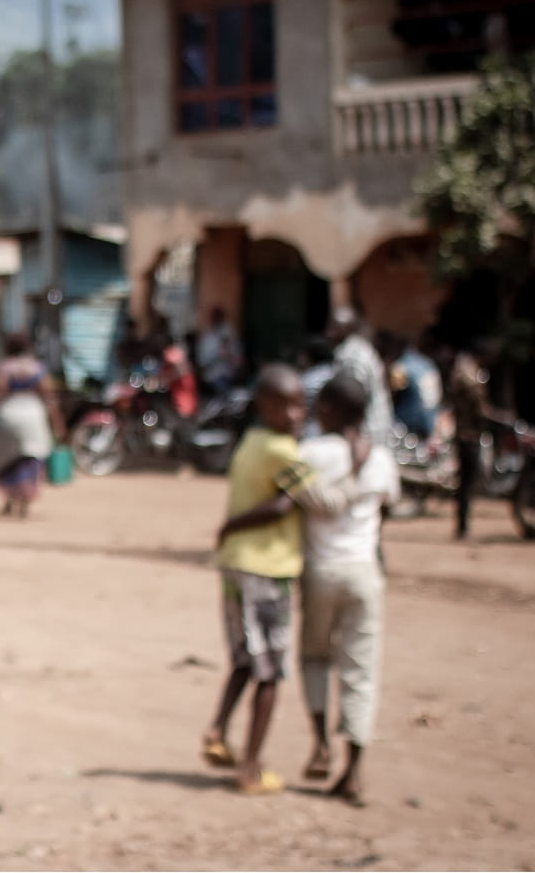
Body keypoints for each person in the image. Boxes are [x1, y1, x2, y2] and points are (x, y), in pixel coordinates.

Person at [204, 365, 356, 795]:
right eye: (286, 405)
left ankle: (218, 731)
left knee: (245, 659)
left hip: (237, 563)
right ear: (264, 406)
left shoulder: (252, 441)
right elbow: (310, 504)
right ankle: (250, 768)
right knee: (269, 671)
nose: (295, 414)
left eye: (300, 405)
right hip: (266, 567)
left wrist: (229, 528)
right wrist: (357, 473)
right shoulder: (284, 452)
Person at [293, 374, 396, 807]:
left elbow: (295, 501)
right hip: (364, 572)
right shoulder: (381, 458)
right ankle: (353, 770)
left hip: (320, 570)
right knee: (361, 670)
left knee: (315, 657)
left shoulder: (309, 453)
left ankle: (320, 743)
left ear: (329, 409)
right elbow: (385, 509)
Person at [0, 332, 61, 519]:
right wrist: (58, 423)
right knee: (30, 458)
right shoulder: (37, 367)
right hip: (33, 415)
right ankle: (24, 503)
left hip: (9, 413)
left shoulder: (5, 367)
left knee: (7, 457)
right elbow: (49, 397)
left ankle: (8, 500)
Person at [446, 342, 495, 541]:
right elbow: (479, 406)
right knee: (467, 483)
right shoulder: (470, 376)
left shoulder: (461, 372)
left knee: (464, 483)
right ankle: (462, 526)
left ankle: (462, 525)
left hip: (463, 434)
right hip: (470, 436)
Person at [326, 308, 393, 444]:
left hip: (366, 432)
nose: (329, 333)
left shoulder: (352, 355)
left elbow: (352, 399)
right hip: (373, 428)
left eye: (335, 327)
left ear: (348, 329)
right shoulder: (359, 349)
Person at [196, 307, 243, 395]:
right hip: (211, 376)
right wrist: (218, 356)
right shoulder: (207, 338)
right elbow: (202, 362)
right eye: (214, 317)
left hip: (227, 376)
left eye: (219, 317)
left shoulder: (230, 334)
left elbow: (238, 362)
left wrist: (229, 355)